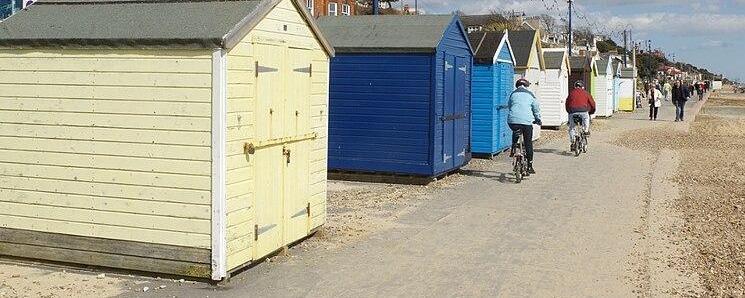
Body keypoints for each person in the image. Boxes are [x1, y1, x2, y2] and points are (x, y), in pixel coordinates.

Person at [508, 78, 541, 175]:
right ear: (526, 86)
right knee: (528, 143)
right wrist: (538, 119)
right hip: (526, 122)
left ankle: (513, 147)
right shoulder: (530, 95)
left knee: (516, 129)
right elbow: (536, 108)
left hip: (512, 121)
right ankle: (530, 166)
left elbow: (510, 106)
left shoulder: (513, 94)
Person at [565, 80, 596, 152]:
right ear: (582, 87)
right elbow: (592, 104)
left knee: (571, 127)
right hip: (583, 111)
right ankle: (586, 130)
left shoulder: (571, 93)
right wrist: (592, 111)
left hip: (572, 112)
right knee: (586, 119)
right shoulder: (586, 93)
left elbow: (567, 104)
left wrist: (569, 112)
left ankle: (573, 141)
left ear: (575, 86)